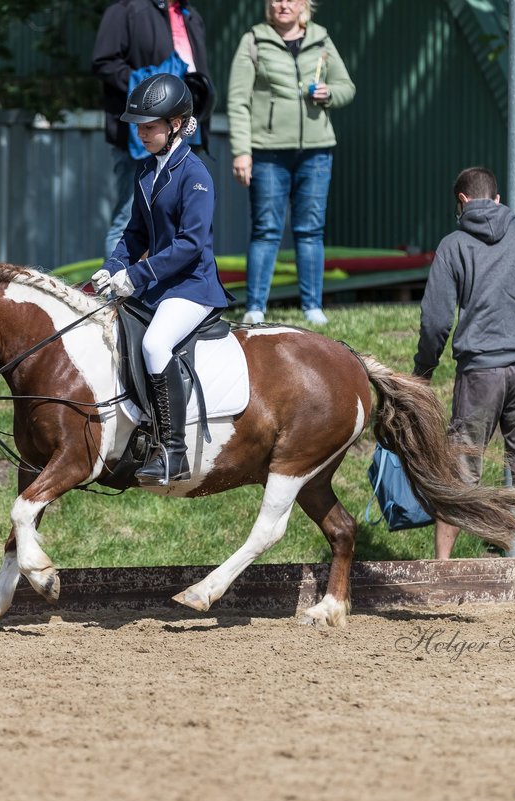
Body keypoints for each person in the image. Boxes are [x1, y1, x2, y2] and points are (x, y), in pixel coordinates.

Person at [413, 166, 515, 560]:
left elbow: (436, 320)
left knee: (458, 475)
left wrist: (424, 369)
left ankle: (444, 569)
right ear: (498, 199)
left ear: (463, 202)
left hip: (479, 371)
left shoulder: (453, 245)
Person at [91, 73, 229, 486]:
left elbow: (190, 244)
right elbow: (134, 233)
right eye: (139, 126)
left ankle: (173, 451)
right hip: (159, 285)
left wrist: (137, 275)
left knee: (154, 344)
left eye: (149, 126)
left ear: (176, 124)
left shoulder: (196, 174)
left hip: (192, 286)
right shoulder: (146, 172)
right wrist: (113, 266)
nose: (141, 133)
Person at [226, 0, 356, 326]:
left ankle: (312, 307)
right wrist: (242, 151)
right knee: (266, 230)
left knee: (310, 230)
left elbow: (347, 88)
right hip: (267, 151)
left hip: (317, 149)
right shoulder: (253, 41)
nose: (282, 4)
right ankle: (255, 307)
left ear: (304, 5)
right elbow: (238, 101)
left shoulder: (322, 39)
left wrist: (329, 93)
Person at [91, 0, 212, 262]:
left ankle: (170, 295)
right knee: (128, 221)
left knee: (181, 220)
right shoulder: (125, 9)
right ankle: (114, 298)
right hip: (141, 139)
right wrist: (150, 88)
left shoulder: (189, 15)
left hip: (184, 131)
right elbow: (103, 62)